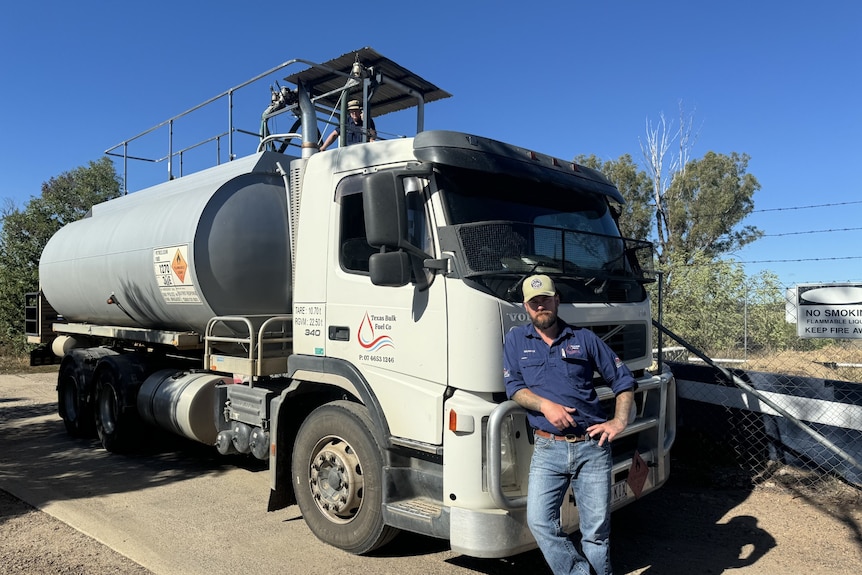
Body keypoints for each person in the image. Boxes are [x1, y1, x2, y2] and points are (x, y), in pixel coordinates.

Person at [503, 274, 635, 575]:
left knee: (596, 535)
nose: (541, 306)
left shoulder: (584, 339)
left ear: (556, 300)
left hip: (593, 446)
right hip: (548, 448)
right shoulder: (515, 340)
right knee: (539, 521)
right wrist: (545, 405)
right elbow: (514, 387)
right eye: (534, 302)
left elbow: (623, 380)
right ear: (526, 306)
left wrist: (619, 421)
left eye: (545, 299)